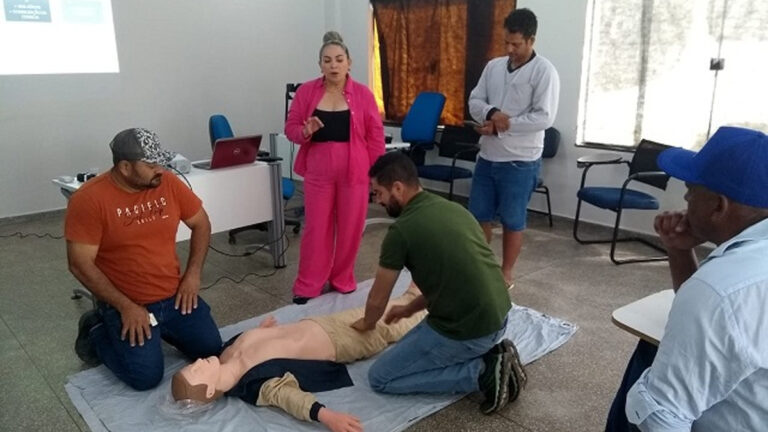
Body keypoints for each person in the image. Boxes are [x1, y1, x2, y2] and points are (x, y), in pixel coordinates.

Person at [604, 126, 768, 431]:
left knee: (645, 374)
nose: (685, 197)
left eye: (692, 190)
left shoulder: (721, 287)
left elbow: (663, 417)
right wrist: (679, 251)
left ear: (719, 206)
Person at [351, 152, 526, 414]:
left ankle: (482, 373)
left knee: (381, 377)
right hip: (499, 316)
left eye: (378, 193)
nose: (377, 201)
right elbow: (456, 278)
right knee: (410, 348)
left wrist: (367, 323)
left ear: (397, 188)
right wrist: (409, 309)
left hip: (470, 330)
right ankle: (494, 354)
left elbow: (377, 298)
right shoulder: (453, 208)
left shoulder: (401, 231)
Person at [66, 128, 222, 391]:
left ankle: (162, 329)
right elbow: (79, 264)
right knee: (145, 378)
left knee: (211, 350)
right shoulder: (89, 200)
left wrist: (193, 274)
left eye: (160, 162)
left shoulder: (168, 183)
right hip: (127, 301)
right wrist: (126, 307)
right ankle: (96, 331)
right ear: (125, 167)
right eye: (151, 165)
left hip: (174, 296)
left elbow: (201, 224)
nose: (160, 169)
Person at [171, 287, 426, 432]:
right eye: (195, 371)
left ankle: (416, 293)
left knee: (371, 312)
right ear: (208, 389)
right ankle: (433, 307)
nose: (197, 363)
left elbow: (259, 345)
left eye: (191, 365)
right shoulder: (255, 385)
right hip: (339, 343)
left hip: (319, 324)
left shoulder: (225, 354)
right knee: (391, 325)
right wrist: (328, 417)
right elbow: (291, 399)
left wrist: (261, 330)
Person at [284, 30, 385, 305]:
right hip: (318, 172)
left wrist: (378, 175)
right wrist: (304, 130)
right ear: (320, 65)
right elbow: (291, 128)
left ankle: (342, 278)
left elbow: (375, 137)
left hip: (355, 173)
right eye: (327, 60)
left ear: (349, 62)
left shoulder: (363, 95)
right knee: (317, 229)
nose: (333, 65)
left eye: (339, 59)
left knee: (351, 228)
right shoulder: (306, 92)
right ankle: (308, 284)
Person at [467, 8, 560, 287]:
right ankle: (479, 267)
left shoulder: (544, 71)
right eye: (506, 42)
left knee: (512, 219)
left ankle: (506, 273)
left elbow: (544, 117)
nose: (509, 49)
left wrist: (500, 125)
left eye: (516, 44)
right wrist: (492, 112)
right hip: (488, 156)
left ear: (531, 40)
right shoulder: (494, 66)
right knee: (479, 215)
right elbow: (475, 100)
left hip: (521, 160)